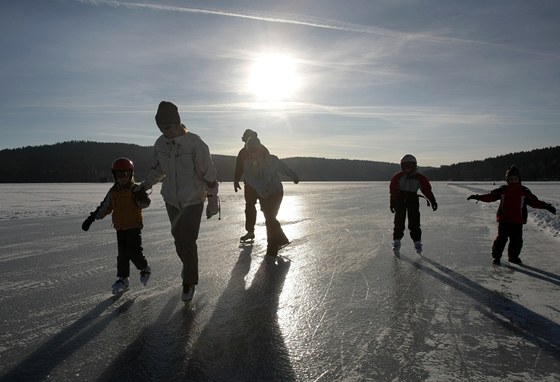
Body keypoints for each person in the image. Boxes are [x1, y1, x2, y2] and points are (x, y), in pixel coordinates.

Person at [134, 101, 219, 302]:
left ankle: (189, 281)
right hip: (171, 200)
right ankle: (188, 268)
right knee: (178, 240)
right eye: (161, 128)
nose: (165, 132)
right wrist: (145, 185)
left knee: (187, 240)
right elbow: (158, 169)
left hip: (192, 200)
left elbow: (209, 174)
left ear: (178, 124)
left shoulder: (195, 144)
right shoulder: (160, 144)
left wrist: (213, 200)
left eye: (168, 127)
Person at [82, 157, 152, 294]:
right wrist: (91, 218)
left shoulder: (134, 189)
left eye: (126, 174)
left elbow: (144, 204)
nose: (123, 177)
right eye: (120, 174)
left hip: (133, 227)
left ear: (131, 174)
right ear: (115, 175)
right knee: (122, 255)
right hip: (120, 228)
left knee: (134, 252)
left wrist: (141, 195)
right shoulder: (113, 191)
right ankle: (123, 279)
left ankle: (144, 268)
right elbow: (104, 207)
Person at [467, 165, 556, 265]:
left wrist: (547, 206)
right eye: (511, 179)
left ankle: (513, 257)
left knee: (516, 241)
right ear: (507, 180)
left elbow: (534, 202)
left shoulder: (524, 191)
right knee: (501, 239)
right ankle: (496, 257)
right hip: (504, 219)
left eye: (515, 179)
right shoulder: (503, 190)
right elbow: (490, 197)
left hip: (518, 221)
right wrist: (478, 197)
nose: (513, 181)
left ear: (519, 179)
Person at [242, 137, 299, 262]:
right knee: (270, 218)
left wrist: (293, 175)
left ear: (260, 148)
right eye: (250, 151)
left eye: (255, 150)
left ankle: (272, 249)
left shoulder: (272, 159)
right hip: (263, 194)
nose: (253, 153)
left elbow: (284, 168)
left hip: (276, 192)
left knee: (270, 218)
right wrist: (262, 190)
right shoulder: (247, 163)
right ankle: (281, 240)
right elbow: (251, 180)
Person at [389, 154, 437, 255]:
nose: (408, 168)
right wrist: (392, 202)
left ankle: (417, 242)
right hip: (400, 200)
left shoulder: (419, 177)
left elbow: (426, 190)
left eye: (410, 165)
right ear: (402, 166)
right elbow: (393, 190)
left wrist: (432, 200)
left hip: (413, 200)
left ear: (414, 166)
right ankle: (396, 241)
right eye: (406, 165)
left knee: (414, 223)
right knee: (398, 222)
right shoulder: (397, 177)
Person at [233, 129, 269, 243]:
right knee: (250, 207)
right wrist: (236, 180)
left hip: (263, 185)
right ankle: (250, 232)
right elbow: (239, 167)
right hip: (250, 185)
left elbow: (270, 165)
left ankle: (273, 234)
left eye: (244, 137)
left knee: (267, 209)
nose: (243, 139)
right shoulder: (243, 151)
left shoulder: (262, 150)